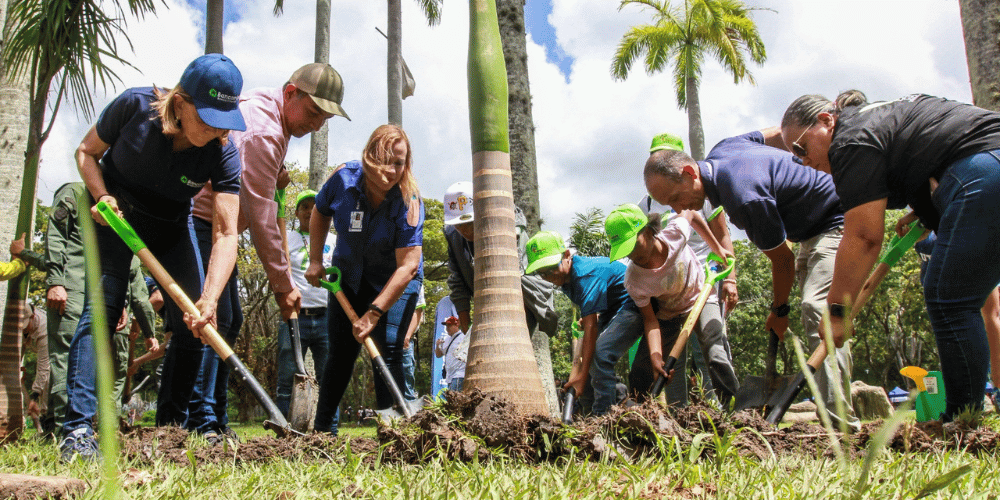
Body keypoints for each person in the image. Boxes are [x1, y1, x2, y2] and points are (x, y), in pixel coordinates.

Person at [59, 53, 246, 462]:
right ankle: (76, 429)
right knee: (102, 311)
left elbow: (227, 231)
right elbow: (86, 152)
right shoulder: (134, 107)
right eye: (208, 116)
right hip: (114, 217)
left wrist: (210, 297)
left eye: (224, 119)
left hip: (170, 226)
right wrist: (102, 196)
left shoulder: (223, 152)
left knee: (196, 321)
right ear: (180, 102)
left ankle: (172, 431)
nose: (217, 129)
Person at [781, 90, 1000, 420]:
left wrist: (837, 311)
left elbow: (865, 237)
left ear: (826, 122)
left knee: (949, 296)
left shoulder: (850, 140)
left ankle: (962, 421)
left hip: (984, 167)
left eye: (801, 148)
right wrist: (927, 211)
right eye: (794, 156)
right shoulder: (876, 121)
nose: (804, 160)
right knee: (955, 293)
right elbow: (928, 153)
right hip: (980, 167)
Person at [643, 132, 861, 430]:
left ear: (689, 173)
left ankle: (840, 427)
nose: (679, 210)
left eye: (676, 198)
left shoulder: (743, 197)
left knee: (817, 310)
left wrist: (780, 311)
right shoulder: (724, 149)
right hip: (810, 232)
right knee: (815, 313)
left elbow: (781, 260)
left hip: (837, 220)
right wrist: (799, 156)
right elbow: (776, 133)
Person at [187, 62, 349, 443]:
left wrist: (273, 176)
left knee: (229, 320)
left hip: (215, 229)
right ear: (291, 93)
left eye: (326, 118)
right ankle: (199, 418)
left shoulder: (269, 115)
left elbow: (256, 192)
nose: (317, 125)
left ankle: (215, 417)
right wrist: (282, 285)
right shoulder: (265, 130)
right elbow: (261, 214)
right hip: (199, 223)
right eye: (313, 112)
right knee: (215, 320)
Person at [305, 124, 424, 434]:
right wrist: (317, 259)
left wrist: (374, 313)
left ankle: (392, 433)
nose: (391, 170)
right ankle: (321, 433)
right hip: (348, 278)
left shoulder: (408, 200)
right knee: (340, 355)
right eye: (384, 159)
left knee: (389, 349)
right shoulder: (343, 178)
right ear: (369, 156)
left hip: (394, 283)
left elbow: (408, 266)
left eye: (399, 162)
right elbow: (319, 211)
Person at [638, 133, 740, 404]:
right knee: (675, 357)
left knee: (710, 345)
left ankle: (724, 410)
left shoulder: (702, 193)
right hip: (670, 286)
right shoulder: (647, 204)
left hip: (706, 277)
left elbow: (722, 235)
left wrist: (730, 278)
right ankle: (681, 417)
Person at [603, 204, 730, 407]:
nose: (634, 256)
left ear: (647, 230)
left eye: (635, 246)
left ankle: (735, 407)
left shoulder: (675, 234)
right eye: (626, 252)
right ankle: (642, 418)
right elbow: (650, 321)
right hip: (667, 313)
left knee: (714, 349)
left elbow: (691, 214)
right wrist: (656, 357)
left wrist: (716, 248)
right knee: (642, 371)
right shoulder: (634, 279)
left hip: (700, 296)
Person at [524, 230, 643, 415]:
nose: (549, 276)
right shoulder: (565, 278)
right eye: (542, 273)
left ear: (566, 256)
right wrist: (580, 375)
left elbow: (591, 328)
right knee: (587, 374)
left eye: (551, 267)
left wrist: (589, 321)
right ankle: (594, 415)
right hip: (609, 311)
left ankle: (603, 417)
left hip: (633, 305)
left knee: (600, 354)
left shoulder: (584, 276)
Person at [441, 181, 558, 340]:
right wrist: (465, 321)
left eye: (469, 223)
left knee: (512, 344)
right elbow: (457, 279)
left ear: (483, 212)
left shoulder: (508, 223)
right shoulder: (452, 235)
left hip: (520, 294)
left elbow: (509, 277)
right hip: (484, 302)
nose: (464, 230)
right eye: (458, 225)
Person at [275, 189, 335, 417]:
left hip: (326, 317)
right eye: (304, 207)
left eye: (314, 206)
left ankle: (329, 431)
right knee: (287, 378)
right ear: (297, 212)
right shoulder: (286, 238)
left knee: (328, 378)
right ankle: (282, 429)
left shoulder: (334, 241)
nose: (310, 211)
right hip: (294, 316)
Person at [22, 304, 49, 434]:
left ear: (32, 317)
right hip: (44, 358)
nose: (23, 330)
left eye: (25, 325)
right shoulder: (25, 329)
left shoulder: (44, 327)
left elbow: (43, 367)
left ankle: (48, 425)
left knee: (47, 381)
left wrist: (34, 397)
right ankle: (41, 430)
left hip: (60, 355)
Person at [400, 283, 425, 400]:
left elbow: (418, 311)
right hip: (389, 334)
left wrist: (407, 336)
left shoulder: (416, 282)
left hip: (406, 338)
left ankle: (409, 403)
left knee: (407, 371)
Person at [434, 316, 467, 392]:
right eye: (446, 326)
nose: (447, 328)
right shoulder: (447, 339)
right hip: (449, 376)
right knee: (452, 399)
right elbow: (438, 355)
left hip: (459, 374)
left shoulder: (463, 337)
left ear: (456, 325)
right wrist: (438, 345)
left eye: (450, 325)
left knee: (455, 399)